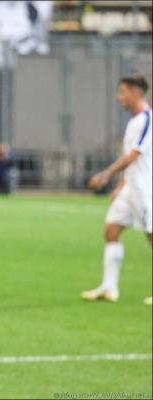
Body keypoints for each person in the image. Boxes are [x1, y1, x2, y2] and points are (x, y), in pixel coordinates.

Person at [82, 76, 152, 305]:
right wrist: (120, 187)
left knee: (151, 236)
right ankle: (109, 287)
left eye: (122, 92)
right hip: (130, 188)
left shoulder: (147, 119)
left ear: (135, 92)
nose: (118, 97)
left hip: (144, 188)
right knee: (111, 230)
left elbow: (134, 155)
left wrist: (106, 175)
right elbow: (130, 159)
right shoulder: (133, 122)